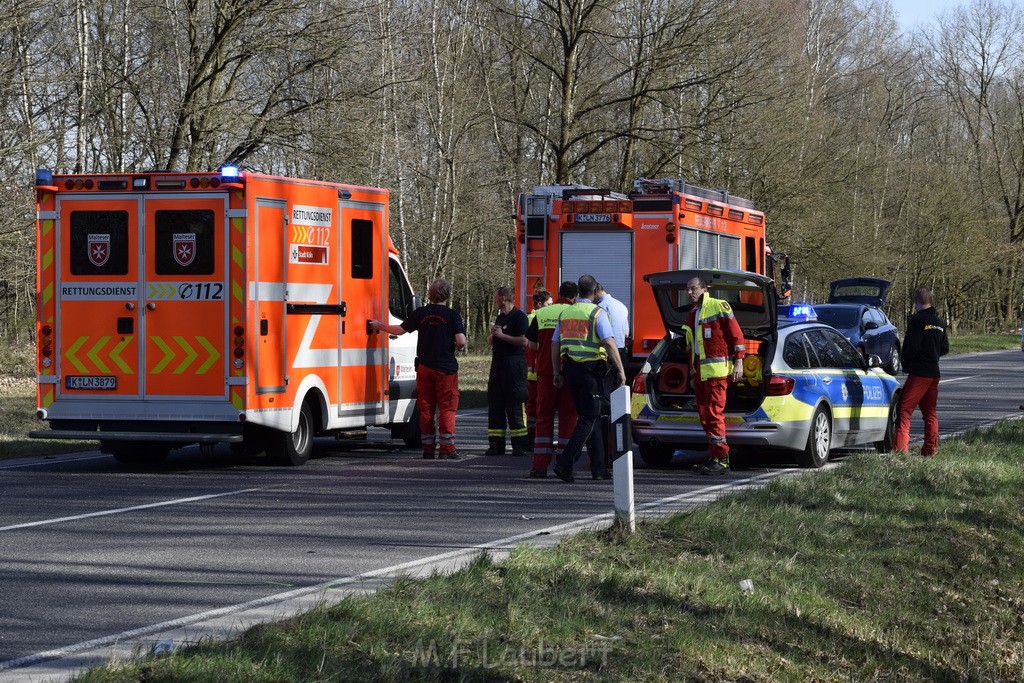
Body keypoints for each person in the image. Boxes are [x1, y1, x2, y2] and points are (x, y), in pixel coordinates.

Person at [369, 278, 467, 459]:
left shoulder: (421, 313)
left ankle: (428, 449)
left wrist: (379, 326)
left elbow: (399, 330)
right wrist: (458, 344)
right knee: (446, 408)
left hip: (424, 368)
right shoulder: (452, 315)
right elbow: (460, 341)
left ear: (430, 294)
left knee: (426, 408)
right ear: (447, 294)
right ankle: (447, 449)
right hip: (445, 369)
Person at [550, 275, 627, 482]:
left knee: (590, 416)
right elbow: (609, 342)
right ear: (594, 292)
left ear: (578, 291)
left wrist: (557, 372)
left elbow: (555, 343)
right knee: (590, 418)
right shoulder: (596, 312)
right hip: (591, 371)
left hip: (571, 370)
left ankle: (599, 468)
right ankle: (565, 463)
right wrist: (620, 369)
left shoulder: (566, 312)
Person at [680, 276, 745, 475]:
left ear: (704, 289)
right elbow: (692, 345)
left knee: (714, 413)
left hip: (717, 372)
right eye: (688, 290)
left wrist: (739, 361)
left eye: (693, 289)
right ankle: (715, 456)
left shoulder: (719, 306)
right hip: (700, 371)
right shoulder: (693, 312)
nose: (690, 293)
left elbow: (736, 335)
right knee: (705, 415)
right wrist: (692, 372)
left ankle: (722, 459)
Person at [526, 281, 578, 478]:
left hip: (546, 373)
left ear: (558, 294)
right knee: (568, 418)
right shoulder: (575, 313)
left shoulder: (542, 313)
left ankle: (539, 466)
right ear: (574, 296)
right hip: (569, 372)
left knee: (544, 418)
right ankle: (564, 464)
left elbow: (531, 344)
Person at [893, 285, 949, 456]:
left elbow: (911, 346)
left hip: (919, 373)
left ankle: (900, 450)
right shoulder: (940, 323)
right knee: (930, 413)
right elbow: (945, 348)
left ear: (916, 302)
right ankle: (930, 449)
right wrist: (932, 354)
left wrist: (907, 362)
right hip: (934, 373)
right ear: (930, 301)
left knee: (904, 409)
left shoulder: (917, 321)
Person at [484, 286, 531, 456]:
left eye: (497, 297)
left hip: (514, 365)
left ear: (503, 298)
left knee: (514, 404)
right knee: (495, 402)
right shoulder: (500, 317)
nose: (495, 300)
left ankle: (519, 445)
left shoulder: (519, 317)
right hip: (498, 365)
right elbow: (492, 341)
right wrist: (493, 335)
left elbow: (524, 340)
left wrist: (502, 336)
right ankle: (496, 444)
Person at [525, 290, 552, 447]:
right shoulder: (533, 318)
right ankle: (532, 437)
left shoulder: (536, 317)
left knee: (536, 406)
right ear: (540, 304)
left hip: (537, 369)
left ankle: (534, 436)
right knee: (534, 407)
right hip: (535, 370)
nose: (551, 307)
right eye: (549, 304)